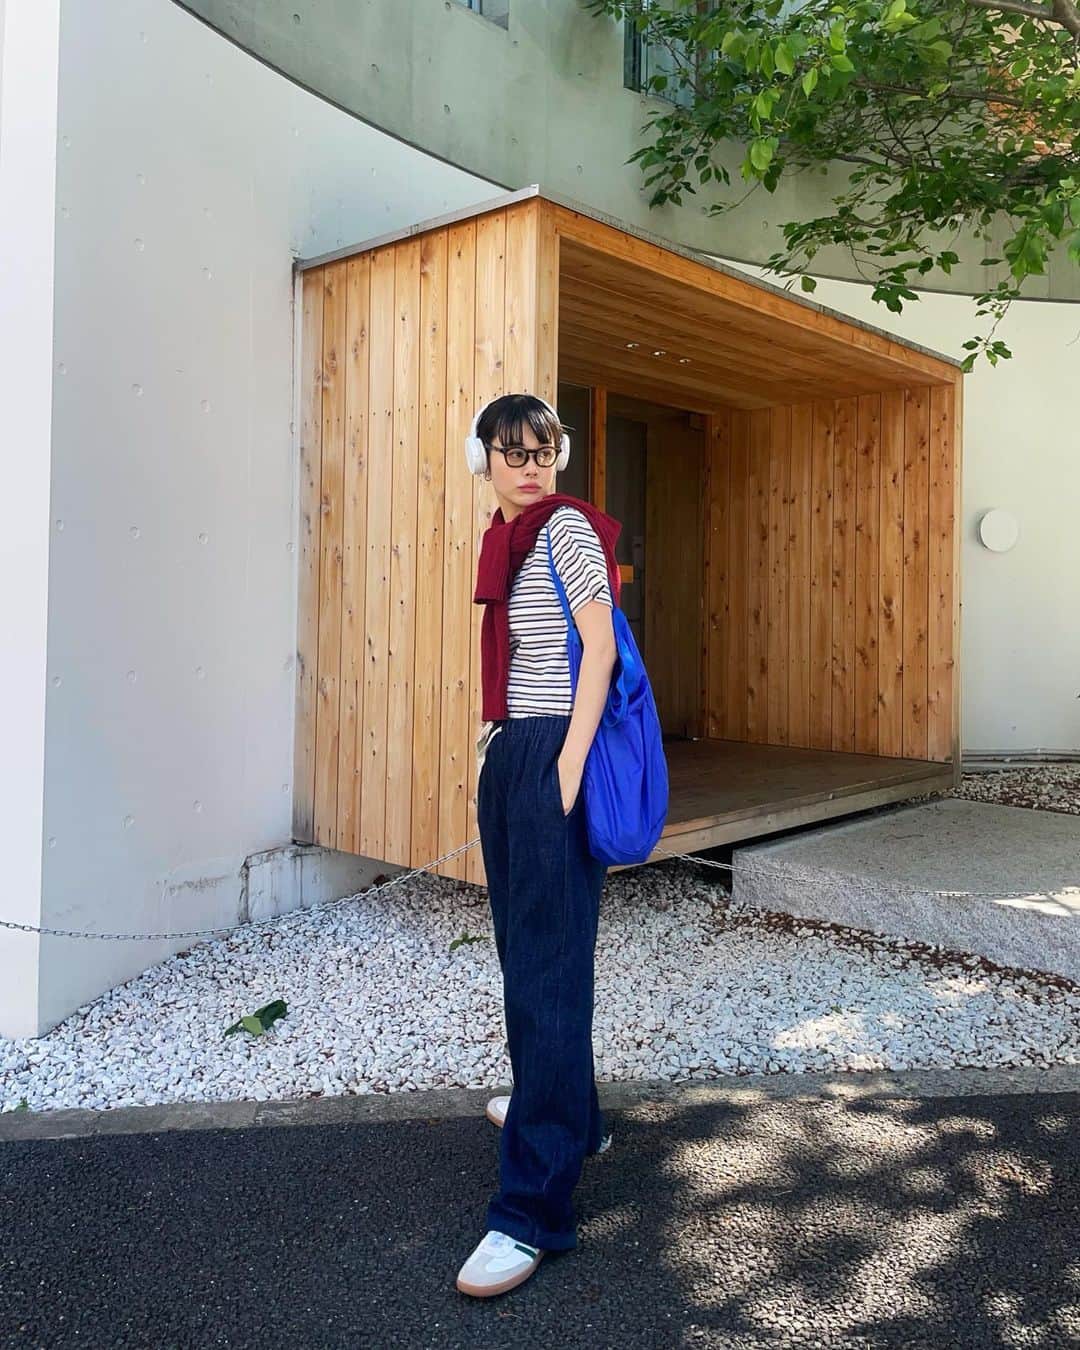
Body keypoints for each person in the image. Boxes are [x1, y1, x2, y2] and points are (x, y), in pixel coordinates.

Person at [455, 393, 624, 1298]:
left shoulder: (564, 529)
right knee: (528, 954)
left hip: (554, 749)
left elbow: (598, 650)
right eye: (513, 452)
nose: (530, 467)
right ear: (483, 457)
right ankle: (572, 1114)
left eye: (543, 451)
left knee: (548, 972)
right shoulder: (505, 537)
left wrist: (565, 763)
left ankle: (531, 1212)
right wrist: (503, 753)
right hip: (516, 750)